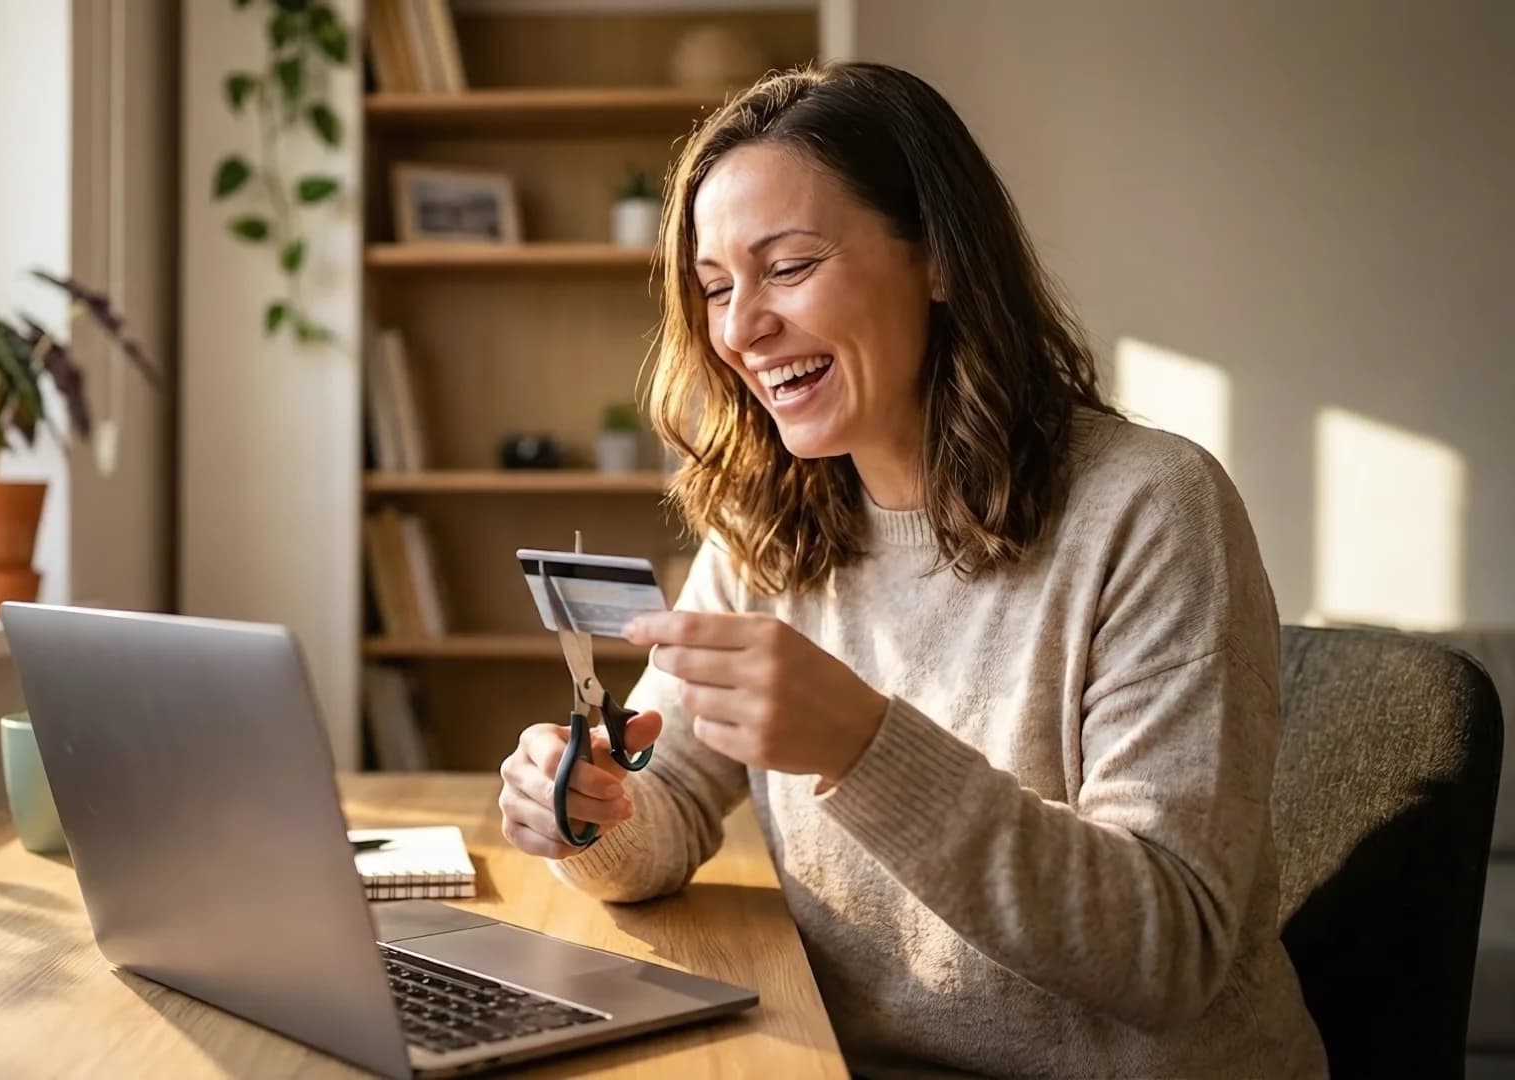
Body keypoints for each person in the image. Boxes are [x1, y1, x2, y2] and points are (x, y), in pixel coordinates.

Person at [496, 61, 1328, 1078]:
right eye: (716, 288)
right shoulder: (771, 526)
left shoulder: (1152, 508)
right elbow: (665, 791)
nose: (740, 329)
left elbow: (1168, 952)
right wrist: (588, 814)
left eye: (789, 267)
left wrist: (859, 745)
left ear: (936, 259)